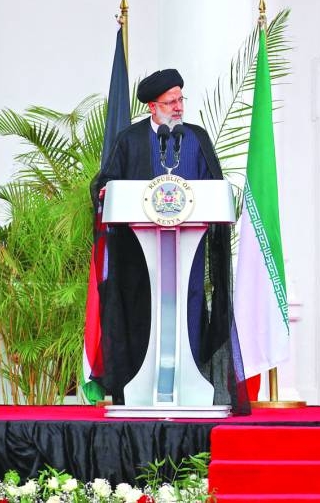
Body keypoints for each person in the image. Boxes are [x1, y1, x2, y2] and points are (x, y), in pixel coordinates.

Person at [91, 68, 248, 413]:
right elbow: (105, 183)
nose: (178, 107)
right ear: (152, 106)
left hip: (187, 255)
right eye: (170, 101)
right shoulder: (130, 140)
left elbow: (214, 186)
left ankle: (190, 387)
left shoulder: (197, 137)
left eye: (180, 99)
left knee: (189, 312)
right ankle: (141, 391)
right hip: (140, 258)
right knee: (142, 317)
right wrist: (106, 192)